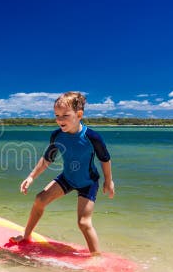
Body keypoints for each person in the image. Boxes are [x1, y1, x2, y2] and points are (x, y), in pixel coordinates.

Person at [13, 91, 114, 255]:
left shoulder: (92, 137)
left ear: (79, 115)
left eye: (65, 115)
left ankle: (96, 257)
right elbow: (47, 159)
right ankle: (26, 236)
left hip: (88, 183)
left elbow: (105, 159)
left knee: (83, 223)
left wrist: (108, 181)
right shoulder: (57, 136)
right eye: (57, 115)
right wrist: (31, 176)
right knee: (39, 200)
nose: (60, 120)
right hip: (67, 178)